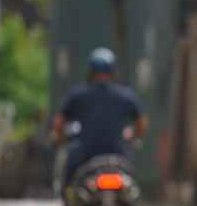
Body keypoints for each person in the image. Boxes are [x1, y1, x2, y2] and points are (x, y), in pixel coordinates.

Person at [52, 47, 148, 188]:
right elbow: (142, 123)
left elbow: (59, 124)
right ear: (112, 72)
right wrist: (132, 135)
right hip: (117, 154)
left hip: (85, 156)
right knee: (130, 173)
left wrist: (59, 137)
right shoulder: (125, 95)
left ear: (91, 72)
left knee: (69, 172)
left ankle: (69, 196)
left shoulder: (78, 95)